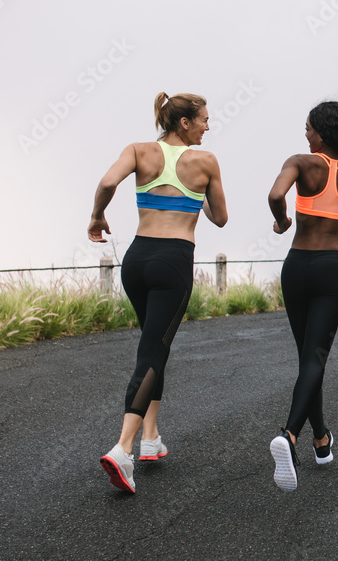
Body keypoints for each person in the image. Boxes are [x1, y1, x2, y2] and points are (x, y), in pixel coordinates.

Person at [88, 92, 228, 493]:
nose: (207, 125)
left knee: (154, 346)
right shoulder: (206, 162)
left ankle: (151, 438)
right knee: (153, 352)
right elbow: (220, 218)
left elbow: (107, 182)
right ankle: (123, 448)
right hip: (173, 262)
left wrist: (97, 216)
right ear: (184, 122)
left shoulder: (138, 150)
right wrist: (192, 194)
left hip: (136, 261)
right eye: (203, 119)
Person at [266, 101, 338, 491]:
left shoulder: (300, 162)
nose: (306, 133)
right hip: (330, 267)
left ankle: (321, 441)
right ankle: (290, 436)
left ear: (323, 132)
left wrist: (283, 221)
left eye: (309, 127)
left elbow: (275, 194)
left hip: (296, 266)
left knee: (307, 358)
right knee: (314, 357)